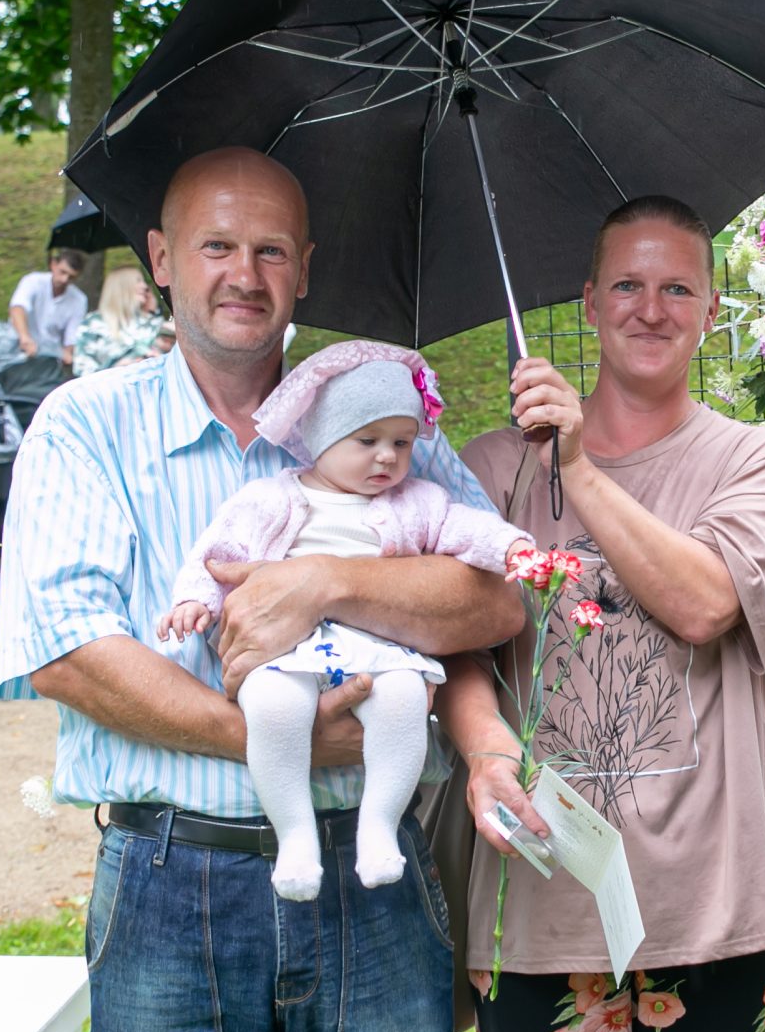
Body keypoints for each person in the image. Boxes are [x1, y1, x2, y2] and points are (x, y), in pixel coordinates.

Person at [0, 146, 524, 1032]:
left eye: (272, 249)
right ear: (159, 259)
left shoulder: (377, 411)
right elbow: (68, 648)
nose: (245, 273)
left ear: (306, 267)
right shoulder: (87, 427)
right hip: (171, 882)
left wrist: (326, 582)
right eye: (217, 246)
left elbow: (494, 599)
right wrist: (270, 740)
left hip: (368, 881)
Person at [439, 195, 765, 1032]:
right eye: (627, 285)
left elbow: (704, 603)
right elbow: (453, 648)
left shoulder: (760, 460)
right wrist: (482, 747)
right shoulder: (488, 468)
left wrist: (585, 471)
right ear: (588, 302)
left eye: (678, 287)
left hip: (713, 917)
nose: (651, 308)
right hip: (542, 915)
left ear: (711, 308)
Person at [158, 339, 531, 900]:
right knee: (273, 709)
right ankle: (295, 836)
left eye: (401, 442)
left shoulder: (418, 501)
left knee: (405, 700)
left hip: (378, 648)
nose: (387, 457)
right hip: (289, 649)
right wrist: (196, 600)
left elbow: (467, 529)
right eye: (366, 440)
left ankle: (379, 826)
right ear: (321, 437)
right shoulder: (270, 498)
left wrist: (511, 548)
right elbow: (218, 552)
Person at [73, 264, 173, 376]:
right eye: (138, 281)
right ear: (121, 287)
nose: (145, 286)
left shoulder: (150, 321)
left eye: (143, 281)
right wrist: (116, 369)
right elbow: (82, 371)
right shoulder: (93, 323)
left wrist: (153, 312)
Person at [8, 245, 89, 368]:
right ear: (53, 264)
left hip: (50, 357)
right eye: (62, 272)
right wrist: (24, 337)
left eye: (71, 277)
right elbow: (17, 308)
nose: (65, 280)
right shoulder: (33, 281)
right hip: (18, 348)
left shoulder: (79, 299)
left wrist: (68, 353)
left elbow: (72, 336)